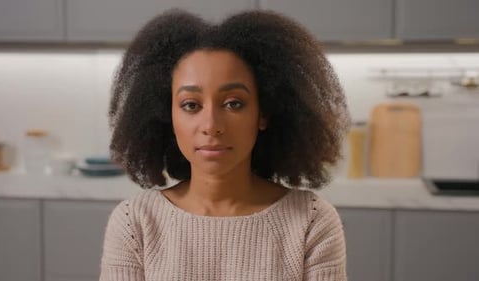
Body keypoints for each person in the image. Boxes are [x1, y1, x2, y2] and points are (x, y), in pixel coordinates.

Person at [100, 8, 350, 281]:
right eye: (191, 105)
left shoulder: (311, 221)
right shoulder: (135, 222)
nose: (211, 125)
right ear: (167, 114)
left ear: (262, 113)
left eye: (233, 103)